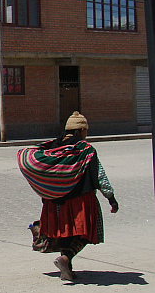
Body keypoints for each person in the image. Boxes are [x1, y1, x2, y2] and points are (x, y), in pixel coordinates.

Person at [18, 111, 119, 282]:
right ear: (80, 131)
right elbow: (100, 176)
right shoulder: (85, 150)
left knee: (65, 234)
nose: (86, 134)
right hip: (80, 201)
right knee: (85, 233)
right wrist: (111, 198)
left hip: (55, 201)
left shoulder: (52, 147)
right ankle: (65, 260)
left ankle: (67, 270)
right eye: (85, 130)